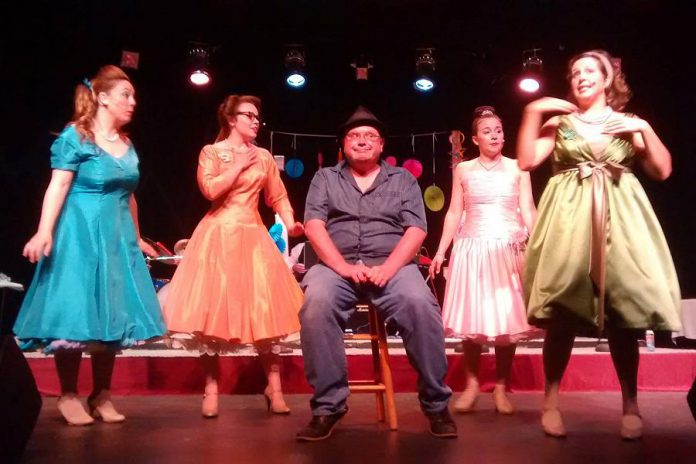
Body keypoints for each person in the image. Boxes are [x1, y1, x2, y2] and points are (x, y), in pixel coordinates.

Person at [517, 49, 681, 439]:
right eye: (574, 72)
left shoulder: (627, 122)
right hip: (569, 220)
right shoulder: (559, 122)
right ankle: (551, 403)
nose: (581, 77)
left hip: (620, 219)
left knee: (623, 316)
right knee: (561, 314)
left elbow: (662, 170)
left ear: (607, 79)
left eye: (590, 70)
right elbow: (525, 160)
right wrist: (533, 111)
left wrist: (642, 128)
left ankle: (631, 406)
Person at [14, 65, 166, 426]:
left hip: (117, 238)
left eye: (133, 96)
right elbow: (59, 186)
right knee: (77, 311)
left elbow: (129, 197)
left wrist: (139, 237)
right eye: (125, 95)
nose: (133, 102)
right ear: (102, 97)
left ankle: (101, 394)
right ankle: (68, 394)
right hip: (79, 235)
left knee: (111, 313)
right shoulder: (76, 138)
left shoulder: (127, 146)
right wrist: (43, 230)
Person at [296, 106, 456, 441]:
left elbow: (416, 229)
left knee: (419, 304)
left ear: (382, 145)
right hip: (337, 266)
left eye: (370, 136)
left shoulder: (403, 179)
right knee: (317, 303)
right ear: (344, 144)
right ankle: (328, 406)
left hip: (392, 265)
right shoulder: (325, 178)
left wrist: (389, 268)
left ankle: (436, 403)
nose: (362, 141)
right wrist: (343, 267)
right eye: (355, 136)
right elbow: (313, 226)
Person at [162, 95, 304, 418]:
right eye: (249, 115)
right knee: (210, 316)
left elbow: (277, 195)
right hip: (217, 236)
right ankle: (210, 389)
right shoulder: (211, 153)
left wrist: (290, 219)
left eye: (258, 117)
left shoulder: (265, 157)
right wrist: (238, 164)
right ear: (231, 119)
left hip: (253, 236)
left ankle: (275, 388)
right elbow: (210, 190)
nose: (256, 121)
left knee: (265, 313)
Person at [429, 106, 537, 415]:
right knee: (472, 322)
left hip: (509, 248)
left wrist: (540, 243)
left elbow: (528, 209)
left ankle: (501, 388)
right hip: (472, 250)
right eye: (488, 131)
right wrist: (440, 251)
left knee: (507, 321)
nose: (495, 135)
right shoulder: (463, 169)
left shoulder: (520, 167)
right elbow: (453, 212)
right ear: (475, 139)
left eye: (499, 130)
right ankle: (472, 385)